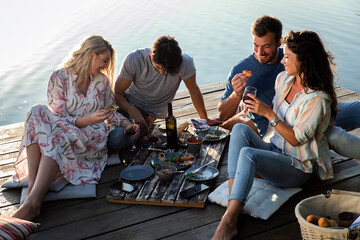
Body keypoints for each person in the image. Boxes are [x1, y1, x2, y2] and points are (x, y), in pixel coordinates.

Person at [213, 30, 338, 240]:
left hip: (295, 166)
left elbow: (296, 138)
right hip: (274, 148)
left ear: (304, 61)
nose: (283, 60)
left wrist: (267, 113)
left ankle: (229, 221)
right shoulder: (284, 79)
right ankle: (235, 201)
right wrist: (255, 107)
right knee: (240, 128)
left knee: (248, 155)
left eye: (287, 56)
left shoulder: (318, 99)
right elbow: (279, 111)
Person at [12, 35, 139, 221]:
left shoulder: (102, 81)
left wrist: (127, 123)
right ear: (90, 54)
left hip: (91, 136)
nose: (105, 67)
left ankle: (33, 202)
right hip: (65, 128)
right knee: (36, 111)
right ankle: (32, 190)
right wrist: (85, 119)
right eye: (104, 61)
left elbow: (111, 112)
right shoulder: (59, 77)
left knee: (57, 136)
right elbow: (58, 117)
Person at [217, 15, 360, 159]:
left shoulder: (291, 54)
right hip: (280, 132)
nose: (259, 53)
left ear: (279, 42)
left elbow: (317, 67)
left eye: (266, 46)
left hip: (309, 111)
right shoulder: (240, 69)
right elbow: (223, 115)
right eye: (255, 45)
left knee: (357, 109)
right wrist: (236, 94)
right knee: (334, 135)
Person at [110, 35, 221, 141]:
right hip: (129, 105)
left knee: (125, 137)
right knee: (117, 136)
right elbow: (118, 93)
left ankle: (146, 122)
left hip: (152, 113)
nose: (162, 73)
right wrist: (131, 110)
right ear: (150, 54)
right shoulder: (135, 59)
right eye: (158, 67)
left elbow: (193, 90)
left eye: (167, 70)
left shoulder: (185, 63)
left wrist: (205, 119)